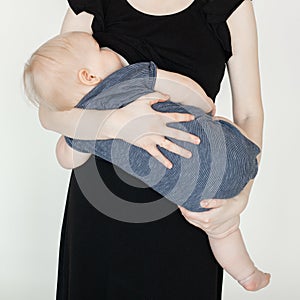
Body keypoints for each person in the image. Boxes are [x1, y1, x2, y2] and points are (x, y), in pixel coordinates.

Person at [37, 0, 266, 299]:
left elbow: (249, 116)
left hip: (189, 212)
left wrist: (240, 197)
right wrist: (119, 124)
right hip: (101, 214)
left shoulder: (228, 7)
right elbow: (50, 111)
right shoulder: (95, 3)